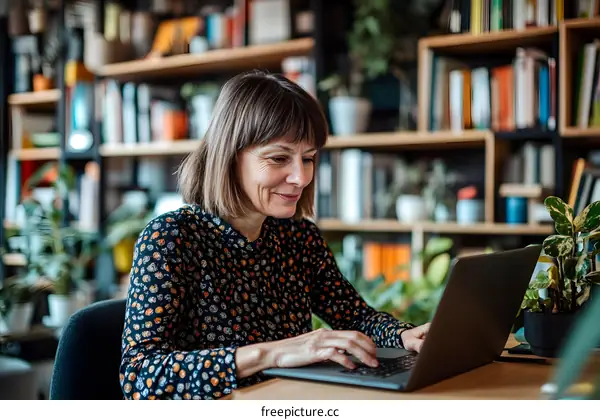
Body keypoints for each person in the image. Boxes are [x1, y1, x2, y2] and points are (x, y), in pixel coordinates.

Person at [119, 71, 430, 400]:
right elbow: (140, 375)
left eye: (308, 159)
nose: (300, 177)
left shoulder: (298, 236)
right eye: (279, 158)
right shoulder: (170, 238)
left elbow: (354, 316)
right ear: (230, 156)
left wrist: (404, 336)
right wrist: (273, 354)